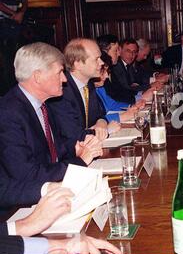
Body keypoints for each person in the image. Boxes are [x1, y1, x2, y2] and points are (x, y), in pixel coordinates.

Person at [0, 42, 103, 215]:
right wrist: (80, 161)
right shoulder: (8, 114)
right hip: (18, 210)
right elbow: (27, 175)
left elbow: (48, 152)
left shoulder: (41, 105)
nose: (64, 79)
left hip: (46, 196)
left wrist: (74, 148)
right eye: (59, 73)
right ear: (38, 76)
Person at [47, 38, 113, 146]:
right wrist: (107, 130)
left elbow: (100, 114)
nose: (101, 62)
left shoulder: (88, 84)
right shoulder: (62, 92)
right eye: (96, 59)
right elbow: (74, 135)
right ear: (77, 64)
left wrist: (102, 122)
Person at [95, 52, 146, 123]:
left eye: (107, 71)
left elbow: (112, 105)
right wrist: (121, 117)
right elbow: (93, 121)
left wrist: (131, 106)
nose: (106, 76)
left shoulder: (99, 88)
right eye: (103, 71)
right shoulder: (88, 90)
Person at [0, 0, 28, 94]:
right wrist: (14, 14)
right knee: (8, 57)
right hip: (3, 22)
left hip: (13, 22)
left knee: (16, 56)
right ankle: (8, 89)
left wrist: (21, 12)